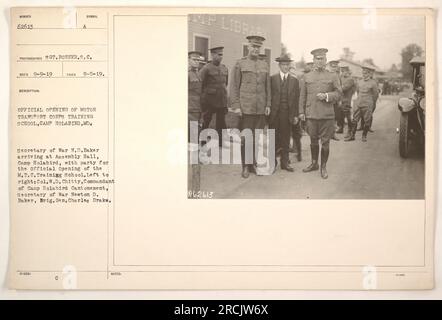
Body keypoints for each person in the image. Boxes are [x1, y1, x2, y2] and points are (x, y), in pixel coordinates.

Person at [230, 35, 271, 179]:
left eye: (258, 47)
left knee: (256, 137)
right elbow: (234, 86)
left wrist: (267, 104)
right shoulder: (240, 63)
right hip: (245, 108)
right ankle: (245, 166)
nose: (255, 49)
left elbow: (268, 87)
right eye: (253, 46)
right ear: (248, 46)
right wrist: (236, 106)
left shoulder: (264, 65)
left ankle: (252, 163)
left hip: (259, 108)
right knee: (246, 138)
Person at [297, 48, 342, 179]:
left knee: (326, 142)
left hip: (327, 115)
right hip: (311, 115)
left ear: (326, 60)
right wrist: (301, 112)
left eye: (322, 58)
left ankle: (323, 167)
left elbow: (339, 94)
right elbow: (302, 96)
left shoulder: (332, 76)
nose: (320, 61)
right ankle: (314, 163)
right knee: (313, 141)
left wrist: (327, 95)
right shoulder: (306, 76)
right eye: (317, 58)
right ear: (313, 60)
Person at [269, 53, 299, 172]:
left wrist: (296, 115)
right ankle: (272, 163)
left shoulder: (294, 80)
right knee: (273, 138)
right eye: (284, 64)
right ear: (279, 65)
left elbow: (296, 99)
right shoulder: (272, 79)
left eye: (288, 64)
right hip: (274, 113)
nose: (286, 67)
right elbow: (269, 96)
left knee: (286, 139)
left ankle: (285, 163)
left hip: (288, 114)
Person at [199, 46, 229, 147]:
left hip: (221, 99)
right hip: (209, 100)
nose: (221, 57)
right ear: (212, 55)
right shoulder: (206, 68)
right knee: (206, 120)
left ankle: (221, 142)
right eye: (219, 55)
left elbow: (226, 83)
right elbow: (200, 84)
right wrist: (204, 98)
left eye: (222, 55)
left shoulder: (224, 68)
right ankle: (202, 141)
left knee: (221, 122)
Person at [345, 64, 379, 142]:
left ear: (370, 74)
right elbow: (358, 91)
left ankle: (364, 136)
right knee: (355, 119)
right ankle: (352, 136)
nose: (364, 74)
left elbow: (375, 95)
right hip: (359, 103)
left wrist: (372, 103)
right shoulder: (359, 82)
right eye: (363, 73)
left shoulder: (373, 83)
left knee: (367, 120)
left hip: (368, 104)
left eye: (366, 73)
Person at [188, 51, 203, 193]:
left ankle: (195, 188)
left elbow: (200, 96)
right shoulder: (186, 74)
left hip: (196, 113)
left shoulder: (198, 75)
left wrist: (201, 116)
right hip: (187, 113)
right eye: (194, 59)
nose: (196, 62)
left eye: (198, 60)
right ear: (188, 60)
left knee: (193, 147)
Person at [338, 65, 356, 138]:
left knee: (348, 116)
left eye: (344, 71)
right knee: (341, 114)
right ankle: (341, 128)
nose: (342, 73)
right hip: (341, 99)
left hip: (347, 99)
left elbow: (344, 88)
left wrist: (337, 87)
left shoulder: (350, 79)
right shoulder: (341, 78)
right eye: (341, 71)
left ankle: (350, 130)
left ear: (348, 71)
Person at [327, 59, 342, 140]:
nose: (334, 68)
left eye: (335, 66)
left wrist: (340, 100)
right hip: (328, 99)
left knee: (335, 117)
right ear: (329, 66)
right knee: (327, 117)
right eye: (332, 66)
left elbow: (340, 89)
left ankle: (333, 134)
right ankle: (327, 133)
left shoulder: (338, 75)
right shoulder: (327, 74)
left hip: (335, 100)